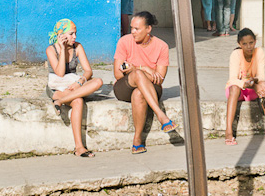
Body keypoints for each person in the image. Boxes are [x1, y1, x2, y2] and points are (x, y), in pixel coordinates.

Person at [113, 10, 176, 153]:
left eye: (137, 28)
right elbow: (117, 74)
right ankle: (161, 115)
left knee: (138, 94)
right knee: (138, 74)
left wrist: (136, 70)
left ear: (148, 29)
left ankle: (137, 140)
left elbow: (159, 78)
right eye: (131, 28)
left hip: (151, 89)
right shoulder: (124, 41)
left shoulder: (162, 46)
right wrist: (142, 69)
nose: (133, 32)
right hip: (124, 86)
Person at [46, 19, 105, 157]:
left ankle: (60, 102)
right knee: (78, 101)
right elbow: (60, 73)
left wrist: (80, 82)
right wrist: (62, 50)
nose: (75, 37)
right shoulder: (51, 49)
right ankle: (79, 147)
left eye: (75, 33)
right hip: (58, 87)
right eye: (71, 34)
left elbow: (88, 71)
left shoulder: (77, 47)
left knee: (98, 82)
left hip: (73, 84)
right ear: (61, 35)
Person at [224, 28, 265, 145]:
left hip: (252, 89)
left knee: (264, 85)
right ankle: (228, 131)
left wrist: (254, 83)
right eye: (244, 44)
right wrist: (247, 84)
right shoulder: (236, 54)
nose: (248, 46)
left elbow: (261, 76)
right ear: (239, 44)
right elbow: (233, 79)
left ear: (255, 41)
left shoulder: (259, 52)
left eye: (251, 43)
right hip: (237, 91)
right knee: (234, 87)